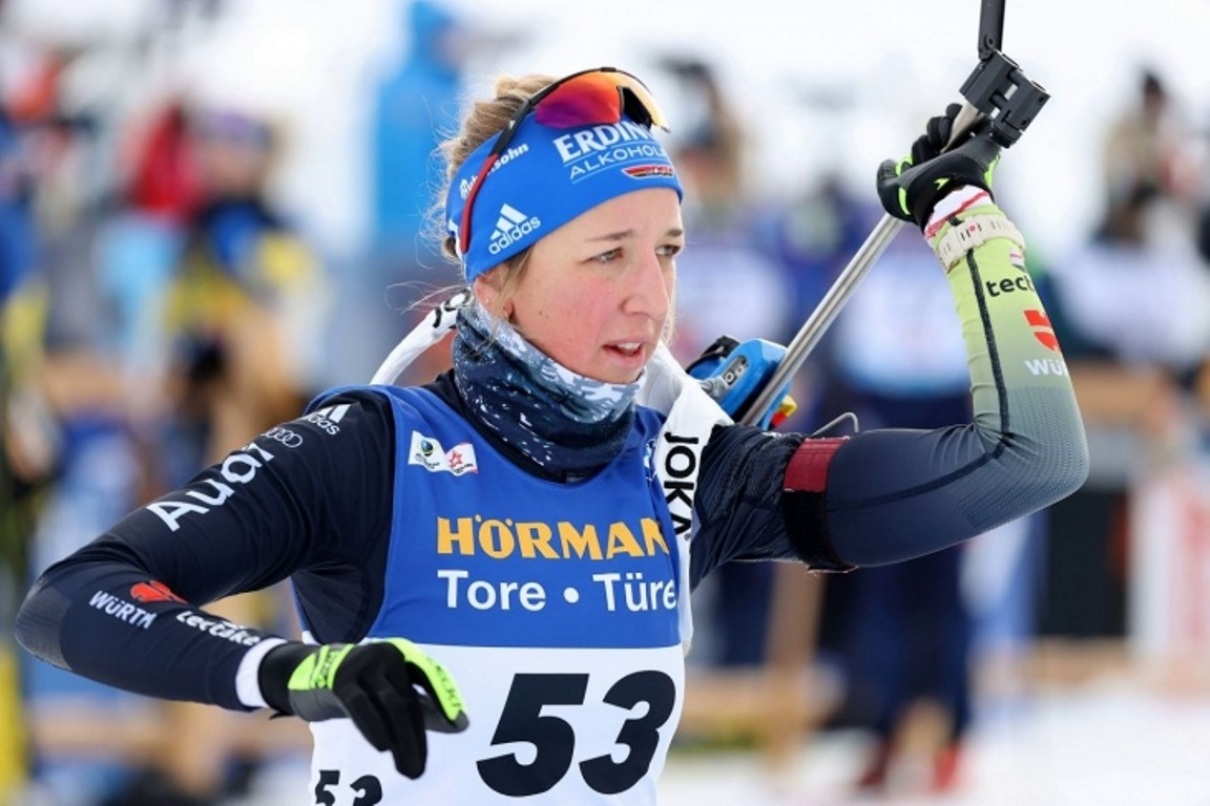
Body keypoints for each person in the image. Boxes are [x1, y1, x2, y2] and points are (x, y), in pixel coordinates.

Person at [16, 67, 1088, 802]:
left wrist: (965, 220)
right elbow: (71, 599)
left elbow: (1030, 459)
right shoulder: (368, 450)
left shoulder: (689, 472)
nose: (649, 296)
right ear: (497, 278)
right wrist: (296, 672)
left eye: (667, 250)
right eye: (606, 254)